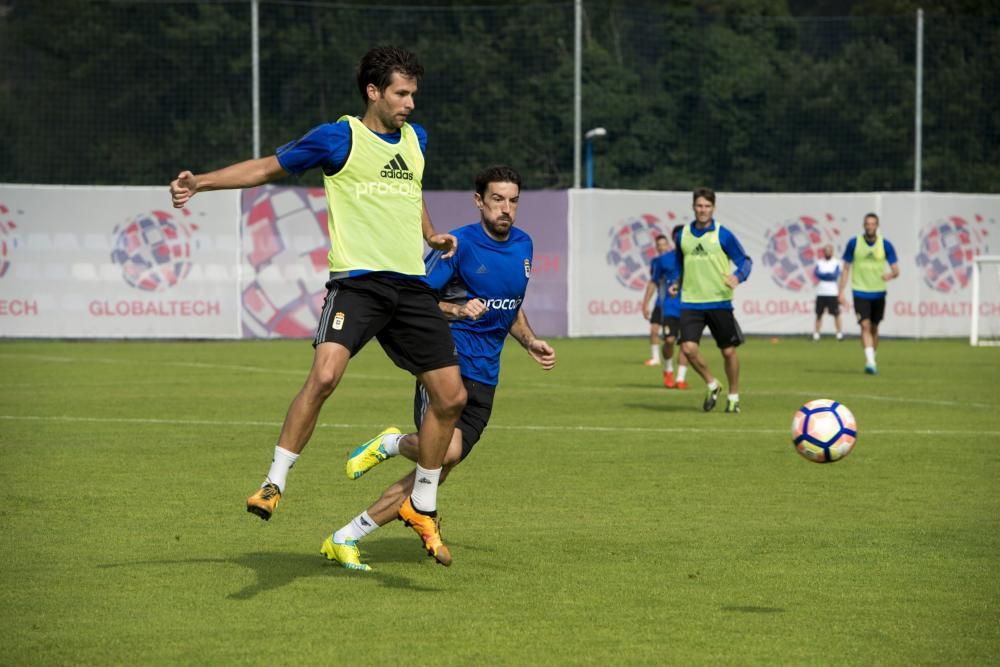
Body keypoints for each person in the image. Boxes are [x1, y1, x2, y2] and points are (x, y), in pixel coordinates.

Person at [168, 46, 466, 563]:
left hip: (412, 287)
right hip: (358, 285)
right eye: (401, 93)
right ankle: (273, 482)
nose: (411, 104)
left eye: (414, 94)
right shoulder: (339, 137)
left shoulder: (417, 139)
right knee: (325, 376)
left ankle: (423, 502)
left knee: (451, 397)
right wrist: (203, 182)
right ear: (373, 92)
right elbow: (266, 168)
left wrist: (431, 233)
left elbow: (411, 189)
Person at [319, 165, 556, 571]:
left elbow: (510, 306)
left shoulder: (524, 246)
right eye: (497, 199)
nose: (506, 208)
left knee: (438, 470)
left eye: (513, 200)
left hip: (487, 375)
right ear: (479, 200)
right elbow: (415, 303)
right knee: (444, 453)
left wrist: (530, 340)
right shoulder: (456, 245)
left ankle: (347, 535)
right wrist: (457, 309)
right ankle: (391, 446)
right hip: (446, 365)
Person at [671, 187, 752, 413]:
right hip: (691, 302)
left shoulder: (723, 234)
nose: (703, 210)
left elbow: (745, 260)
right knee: (687, 348)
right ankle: (711, 383)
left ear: (713, 208)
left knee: (728, 352)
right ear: (693, 207)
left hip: (719, 302)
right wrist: (676, 281)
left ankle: (734, 395)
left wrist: (739, 276)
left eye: (707, 206)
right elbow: (679, 264)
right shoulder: (683, 235)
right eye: (699, 206)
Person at [838, 212, 899, 374]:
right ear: (864, 225)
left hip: (878, 292)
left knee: (874, 327)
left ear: (877, 226)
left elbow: (896, 269)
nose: (870, 227)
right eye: (867, 224)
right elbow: (845, 268)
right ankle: (871, 362)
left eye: (873, 224)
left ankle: (872, 356)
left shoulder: (885, 244)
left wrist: (891, 275)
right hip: (860, 291)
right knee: (864, 325)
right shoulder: (854, 243)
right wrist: (841, 291)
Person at [641, 228, 689, 389]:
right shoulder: (664, 260)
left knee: (686, 344)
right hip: (670, 307)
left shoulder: (694, 258)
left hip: (691, 307)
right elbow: (654, 281)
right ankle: (668, 369)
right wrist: (645, 302)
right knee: (669, 340)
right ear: (674, 239)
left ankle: (680, 378)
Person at [643, 235, 671, 366]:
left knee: (673, 336)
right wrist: (646, 303)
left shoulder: (676, 259)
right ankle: (655, 358)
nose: (662, 247)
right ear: (656, 247)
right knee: (654, 330)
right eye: (659, 245)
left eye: (664, 244)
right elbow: (653, 283)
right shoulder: (655, 262)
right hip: (661, 302)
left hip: (675, 303)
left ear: (668, 245)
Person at [813, 244, 844, 341]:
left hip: (832, 292)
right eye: (826, 251)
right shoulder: (819, 263)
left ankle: (839, 334)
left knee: (836, 314)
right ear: (823, 252)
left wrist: (825, 275)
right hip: (821, 292)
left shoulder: (837, 263)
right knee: (819, 314)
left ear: (832, 252)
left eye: (829, 251)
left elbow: (835, 275)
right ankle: (816, 334)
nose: (827, 252)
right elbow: (817, 274)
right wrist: (827, 275)